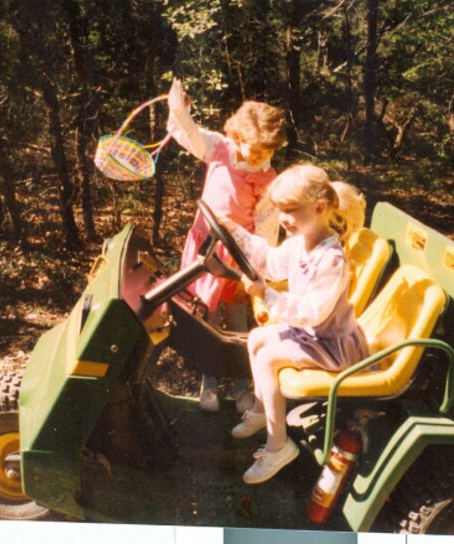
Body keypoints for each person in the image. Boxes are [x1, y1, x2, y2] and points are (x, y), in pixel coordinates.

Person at [219, 164, 369, 484]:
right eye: (281, 210)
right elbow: (271, 264)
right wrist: (234, 232)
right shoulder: (300, 242)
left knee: (269, 357)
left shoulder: (332, 260)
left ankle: (277, 447)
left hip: (332, 345)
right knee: (258, 338)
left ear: (318, 208)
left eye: (290, 211)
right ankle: (263, 411)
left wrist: (267, 295)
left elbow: (311, 313)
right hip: (311, 334)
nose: (284, 218)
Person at [166, 79, 286, 413]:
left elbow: (267, 226)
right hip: (205, 246)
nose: (261, 156)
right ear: (237, 136)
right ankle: (210, 381)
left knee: (236, 316)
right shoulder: (218, 149)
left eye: (268, 151)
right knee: (206, 312)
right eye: (255, 149)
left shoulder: (268, 178)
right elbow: (185, 132)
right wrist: (180, 108)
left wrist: (259, 269)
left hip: (238, 255)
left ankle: (241, 384)